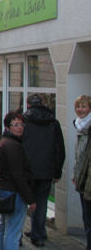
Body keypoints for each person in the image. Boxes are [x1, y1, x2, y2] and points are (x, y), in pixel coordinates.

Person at [21, 93, 65, 247]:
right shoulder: (53, 122)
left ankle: (19, 235)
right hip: (46, 170)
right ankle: (38, 234)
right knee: (41, 202)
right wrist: (57, 171)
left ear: (28, 105)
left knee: (23, 201)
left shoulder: (23, 121)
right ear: (43, 103)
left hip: (27, 170)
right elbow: (60, 149)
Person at [0, 112, 36, 250]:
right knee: (13, 231)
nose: (19, 128)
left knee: (3, 227)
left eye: (21, 124)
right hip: (13, 192)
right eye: (15, 125)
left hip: (4, 190)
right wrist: (30, 198)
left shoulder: (5, 142)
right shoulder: (13, 145)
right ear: (7, 127)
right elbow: (18, 175)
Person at [73, 95, 91, 250]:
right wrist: (76, 175)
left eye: (84, 106)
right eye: (78, 107)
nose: (80, 110)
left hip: (89, 182)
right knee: (86, 218)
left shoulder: (88, 128)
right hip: (82, 180)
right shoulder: (80, 126)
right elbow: (79, 156)